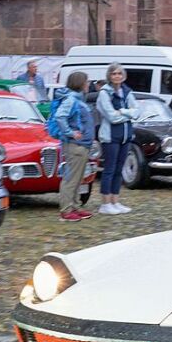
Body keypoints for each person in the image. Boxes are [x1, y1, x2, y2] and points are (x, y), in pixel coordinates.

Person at [96, 62, 140, 215]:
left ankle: (115, 201)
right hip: (110, 137)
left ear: (123, 76)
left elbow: (137, 112)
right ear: (109, 76)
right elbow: (111, 117)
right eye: (114, 73)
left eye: (119, 73)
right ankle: (105, 203)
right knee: (109, 169)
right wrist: (127, 114)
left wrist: (122, 111)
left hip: (125, 136)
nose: (117, 76)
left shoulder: (127, 92)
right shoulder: (104, 93)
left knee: (118, 169)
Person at [54, 71, 95, 222]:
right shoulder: (72, 99)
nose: (88, 84)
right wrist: (70, 132)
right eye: (86, 81)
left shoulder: (78, 99)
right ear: (80, 83)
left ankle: (75, 206)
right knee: (71, 179)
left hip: (82, 145)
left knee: (78, 179)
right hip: (75, 145)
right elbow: (60, 116)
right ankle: (66, 210)